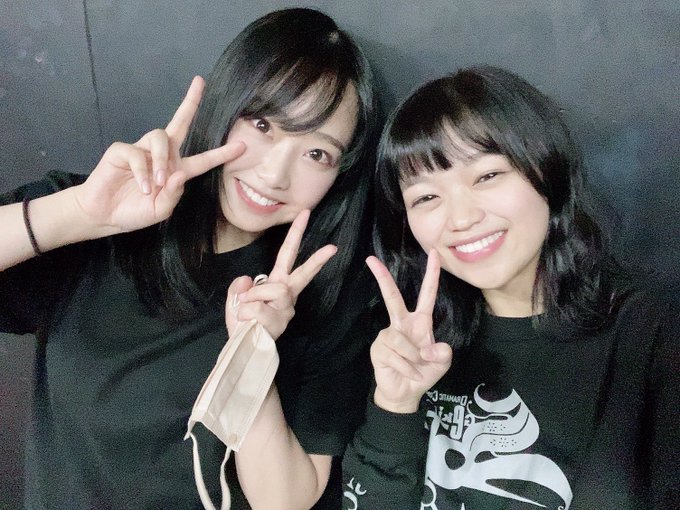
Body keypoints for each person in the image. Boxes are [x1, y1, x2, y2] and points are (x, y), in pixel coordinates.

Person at [0, 8, 380, 509]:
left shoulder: (326, 293)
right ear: (225, 104)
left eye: (317, 154)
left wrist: (251, 355)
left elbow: (285, 501)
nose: (274, 174)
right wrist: (79, 215)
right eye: (263, 124)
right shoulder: (95, 216)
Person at [342, 65, 679, 509]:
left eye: (487, 176)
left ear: (545, 169)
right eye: (426, 197)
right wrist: (395, 403)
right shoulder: (409, 341)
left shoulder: (651, 335)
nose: (462, 218)